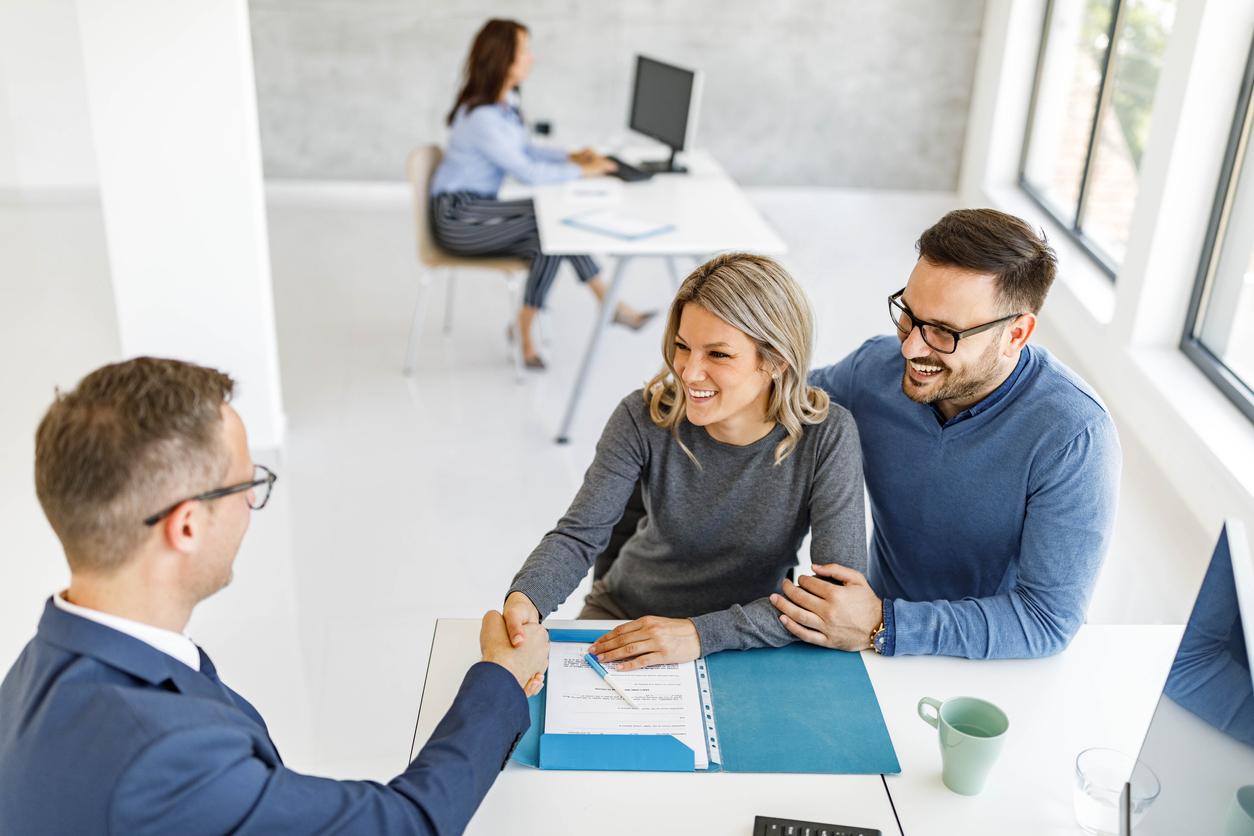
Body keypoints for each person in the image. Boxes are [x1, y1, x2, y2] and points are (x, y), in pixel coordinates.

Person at [0, 358, 549, 835]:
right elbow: (407, 824)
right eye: (247, 485)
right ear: (186, 526)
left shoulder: (34, 674)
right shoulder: (163, 754)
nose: (251, 505)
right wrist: (500, 676)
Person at [770, 208, 1121, 660]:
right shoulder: (873, 370)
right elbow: (782, 401)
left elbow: (1046, 619)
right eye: (909, 316)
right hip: (868, 641)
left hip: (995, 665)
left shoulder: (1075, 436)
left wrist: (884, 623)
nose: (911, 347)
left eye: (944, 332)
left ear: (1017, 334)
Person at [502, 253, 868, 670]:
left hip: (747, 636)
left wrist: (699, 633)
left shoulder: (827, 435)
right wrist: (525, 598)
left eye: (718, 354)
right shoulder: (642, 416)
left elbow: (834, 600)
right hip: (625, 617)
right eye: (682, 346)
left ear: (776, 360)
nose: (690, 373)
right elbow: (579, 536)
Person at [430, 18, 652, 370]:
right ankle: (596, 309)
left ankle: (592, 309)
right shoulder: (482, 118)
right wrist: (585, 170)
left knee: (552, 233)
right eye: (524, 51)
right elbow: (527, 172)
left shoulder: (503, 104)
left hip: (476, 207)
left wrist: (571, 156)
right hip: (459, 218)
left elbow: (526, 150)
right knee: (551, 234)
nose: (532, 58)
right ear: (504, 59)